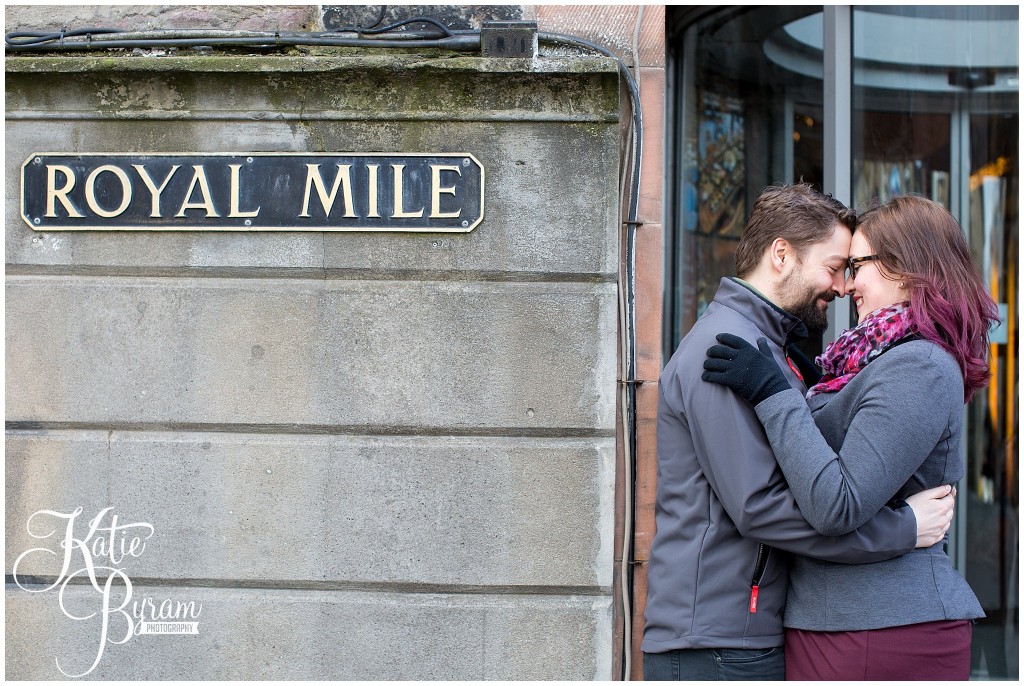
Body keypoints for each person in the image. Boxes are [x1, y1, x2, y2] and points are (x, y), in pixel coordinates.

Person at [642, 183, 957, 681]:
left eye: (852, 270)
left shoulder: (771, 351)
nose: (839, 286)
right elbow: (761, 507)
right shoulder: (726, 349)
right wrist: (902, 529)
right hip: (717, 640)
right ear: (782, 255)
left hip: (742, 632)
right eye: (835, 267)